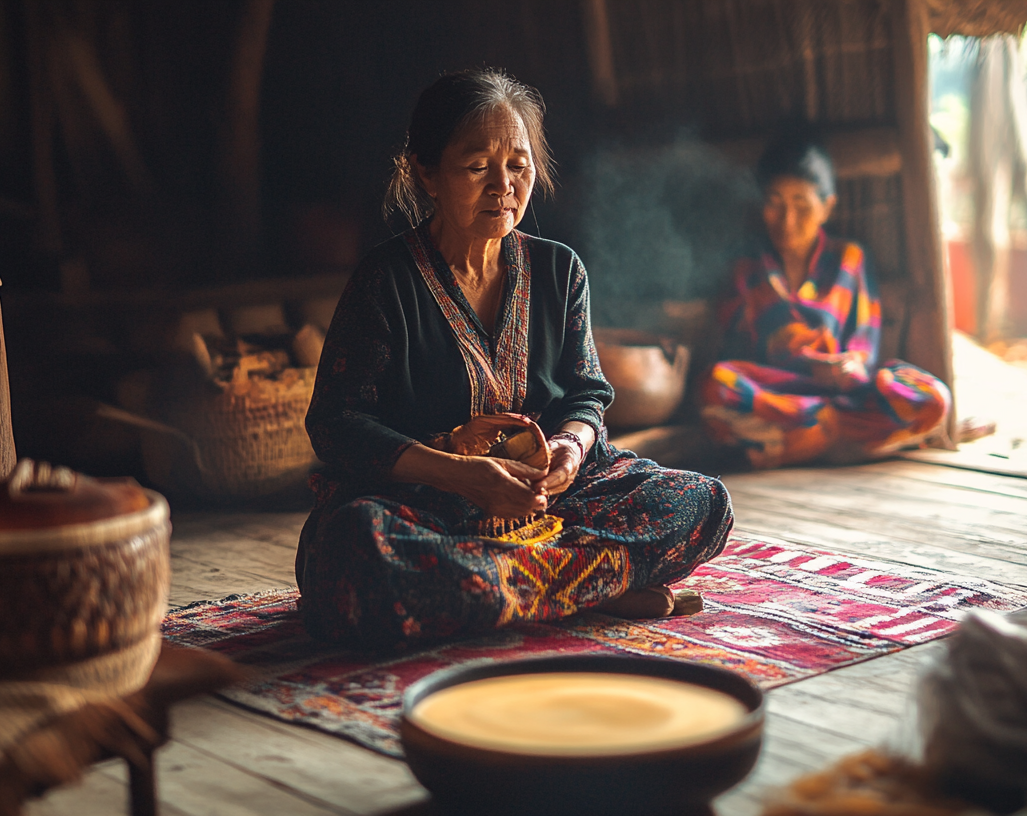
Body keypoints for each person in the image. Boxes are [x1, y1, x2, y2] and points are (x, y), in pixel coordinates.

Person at [296, 69, 733, 650]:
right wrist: (455, 469)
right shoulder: (386, 281)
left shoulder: (559, 271)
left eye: (518, 166)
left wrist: (571, 452)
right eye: (477, 167)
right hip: (425, 506)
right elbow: (336, 423)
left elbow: (587, 396)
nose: (502, 186)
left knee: (701, 502)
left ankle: (506, 593)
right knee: (358, 546)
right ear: (425, 172)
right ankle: (587, 589)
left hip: (550, 502)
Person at [701, 133, 951, 468]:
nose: (787, 220)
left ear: (827, 207)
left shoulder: (849, 258)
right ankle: (831, 438)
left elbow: (864, 348)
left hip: (845, 394)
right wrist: (798, 357)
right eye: (775, 203)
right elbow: (734, 349)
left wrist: (848, 367)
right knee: (715, 384)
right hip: (780, 395)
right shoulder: (748, 267)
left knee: (932, 398)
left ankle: (799, 442)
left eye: (801, 205)